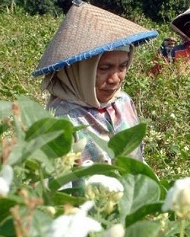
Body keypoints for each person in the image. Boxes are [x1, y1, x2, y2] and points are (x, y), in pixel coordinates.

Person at [32, 0, 158, 165]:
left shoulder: (123, 102)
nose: (115, 79)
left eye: (123, 66)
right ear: (79, 71)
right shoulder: (60, 119)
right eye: (105, 68)